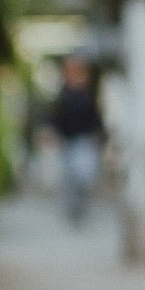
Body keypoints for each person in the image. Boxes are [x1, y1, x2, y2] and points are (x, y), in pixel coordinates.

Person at [41, 53, 106, 223]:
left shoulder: (88, 93)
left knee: (84, 175)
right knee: (70, 177)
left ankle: (81, 207)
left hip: (84, 140)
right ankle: (73, 211)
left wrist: (99, 134)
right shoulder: (63, 93)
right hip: (67, 140)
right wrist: (52, 132)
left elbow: (96, 117)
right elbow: (55, 116)